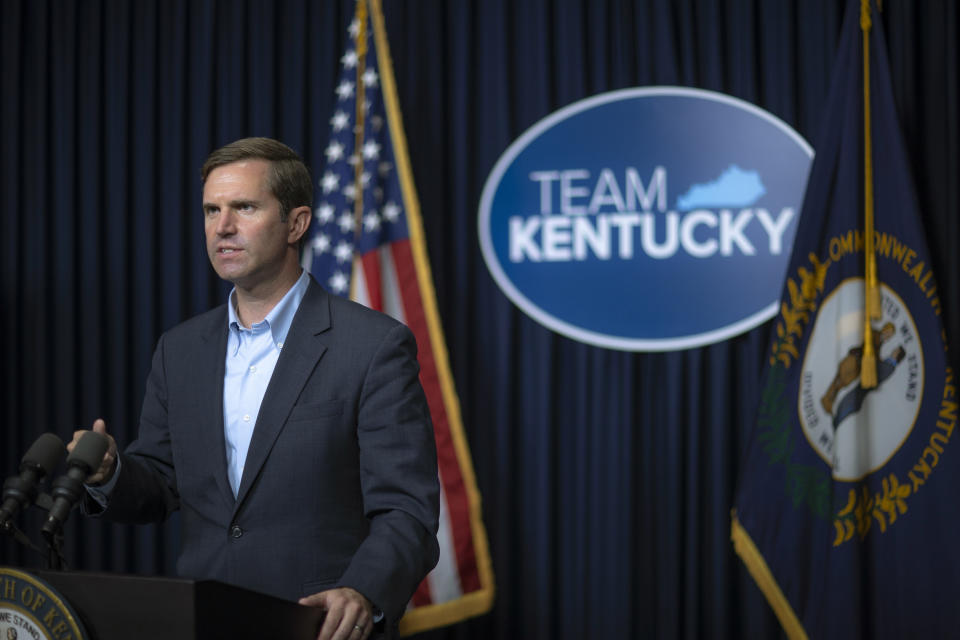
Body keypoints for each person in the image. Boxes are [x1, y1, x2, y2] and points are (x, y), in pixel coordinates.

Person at [68, 137, 440, 640]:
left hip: (317, 624)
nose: (222, 227)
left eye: (244, 207)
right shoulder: (180, 349)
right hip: (202, 620)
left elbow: (406, 508)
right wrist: (112, 474)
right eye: (211, 210)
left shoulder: (372, 345)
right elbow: (159, 484)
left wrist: (364, 590)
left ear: (297, 223)